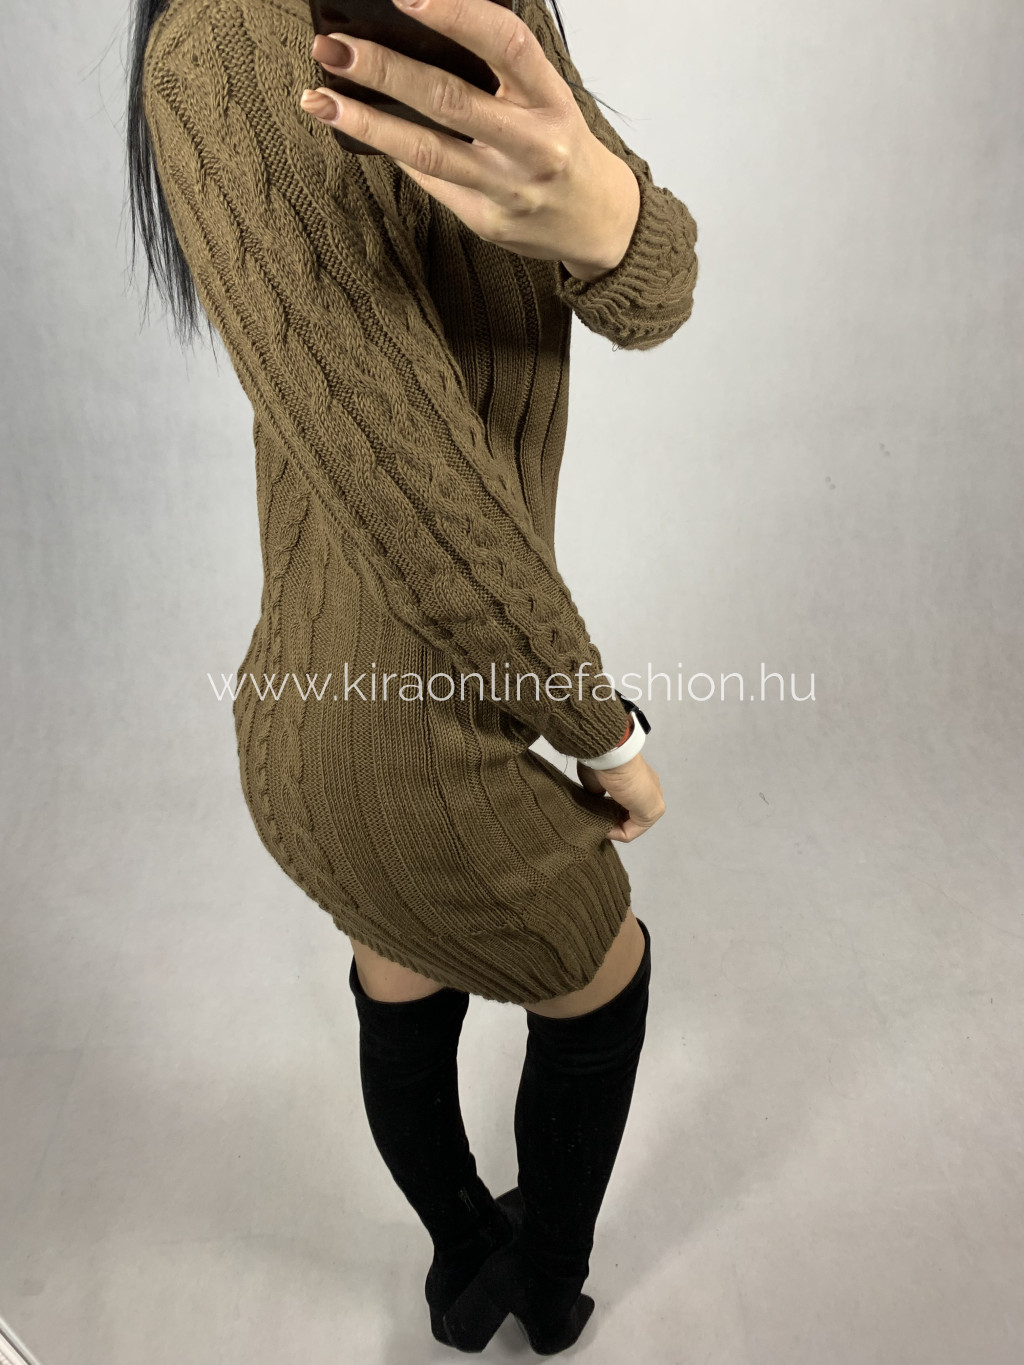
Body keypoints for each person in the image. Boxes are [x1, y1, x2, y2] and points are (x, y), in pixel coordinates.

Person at [127, 0, 698, 1350]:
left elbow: (659, 298)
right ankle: (542, 1281)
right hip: (389, 730)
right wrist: (604, 734)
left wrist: (607, 216)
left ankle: (465, 1267)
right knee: (599, 975)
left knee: (403, 971)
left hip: (360, 701)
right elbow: (410, 480)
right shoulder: (214, 57)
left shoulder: (489, 9)